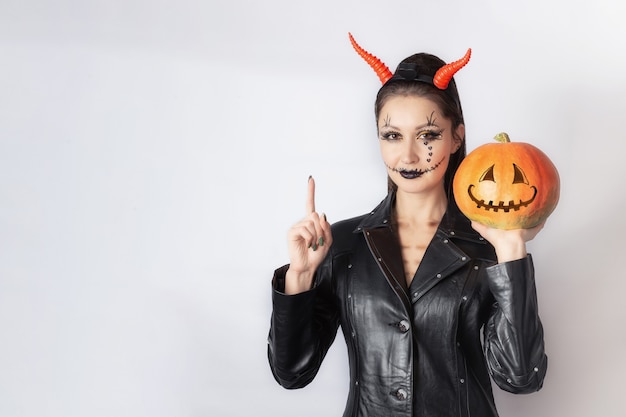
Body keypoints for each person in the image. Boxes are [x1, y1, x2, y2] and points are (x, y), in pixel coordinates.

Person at [267, 33, 548, 417]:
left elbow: (521, 378)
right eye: (392, 135)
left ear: (456, 137)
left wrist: (512, 252)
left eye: (428, 135)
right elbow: (291, 373)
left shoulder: (488, 245)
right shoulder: (342, 244)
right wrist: (299, 277)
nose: (408, 154)